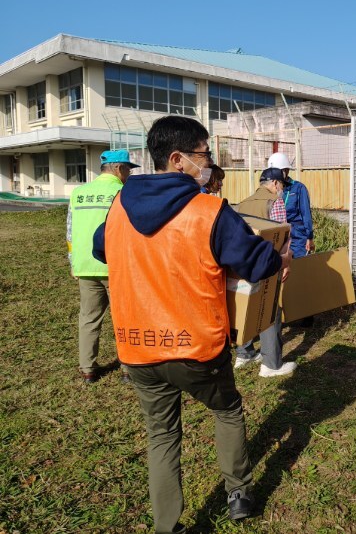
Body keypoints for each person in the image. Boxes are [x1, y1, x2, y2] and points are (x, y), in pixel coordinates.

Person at [93, 115, 290, 533]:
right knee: (227, 409)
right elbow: (256, 261)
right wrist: (280, 258)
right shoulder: (208, 210)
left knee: (161, 434)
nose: (210, 163)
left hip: (137, 347)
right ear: (179, 159)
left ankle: (167, 526)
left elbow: (100, 249)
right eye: (205, 155)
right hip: (196, 345)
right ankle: (239, 492)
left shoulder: (118, 206)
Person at [67, 149, 139, 383]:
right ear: (119, 169)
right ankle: (128, 368)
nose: (128, 174)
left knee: (89, 318)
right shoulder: (123, 193)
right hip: (116, 267)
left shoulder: (79, 193)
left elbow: (70, 230)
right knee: (124, 318)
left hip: (85, 266)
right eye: (128, 169)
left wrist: (73, 262)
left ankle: (87, 368)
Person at [233, 167, 296, 377]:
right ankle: (271, 364)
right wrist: (285, 262)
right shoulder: (275, 202)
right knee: (270, 308)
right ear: (276, 184)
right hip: (269, 262)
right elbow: (282, 235)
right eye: (282, 186)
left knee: (246, 305)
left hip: (244, 264)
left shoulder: (243, 202)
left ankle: (244, 353)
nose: (281, 190)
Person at [267, 152, 314, 260]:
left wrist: (309, 237)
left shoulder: (298, 188)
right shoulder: (270, 188)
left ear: (285, 171)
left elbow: (306, 214)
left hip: (297, 239)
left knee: (297, 270)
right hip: (277, 237)